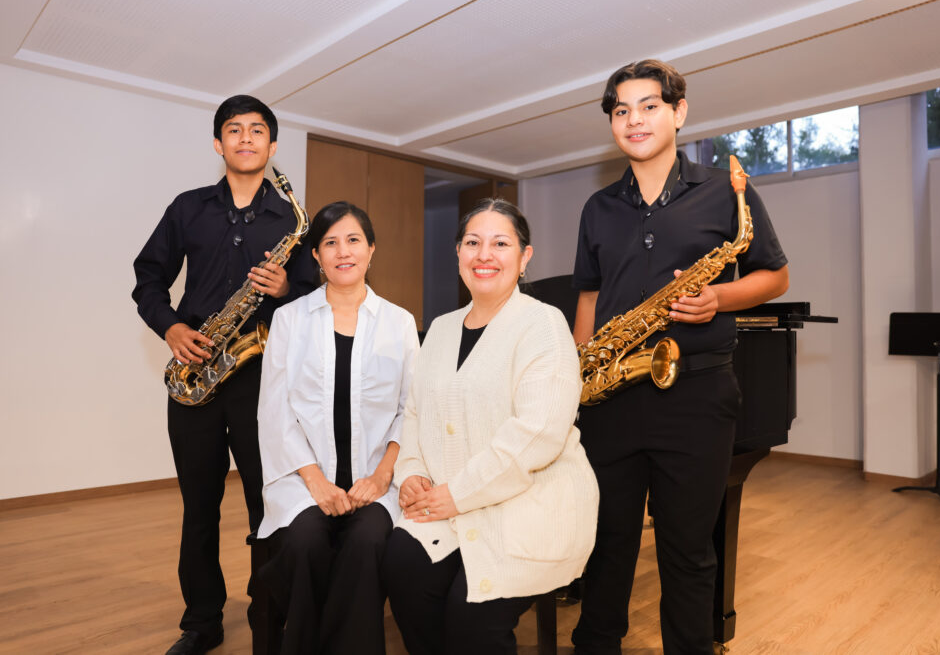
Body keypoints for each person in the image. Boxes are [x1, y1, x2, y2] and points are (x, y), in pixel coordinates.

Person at [570, 60, 790, 655]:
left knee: (689, 551)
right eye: (621, 110)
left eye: (649, 106)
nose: (634, 119)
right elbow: (588, 294)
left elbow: (775, 276)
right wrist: (580, 374)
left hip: (696, 397)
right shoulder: (597, 207)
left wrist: (719, 297)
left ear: (678, 112)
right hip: (611, 398)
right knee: (605, 545)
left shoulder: (726, 191)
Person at [132, 95, 316, 655]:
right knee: (199, 508)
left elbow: (316, 297)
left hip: (263, 379)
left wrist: (287, 288)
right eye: (234, 130)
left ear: (272, 146)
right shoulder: (188, 208)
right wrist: (171, 328)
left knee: (268, 505)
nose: (245, 138)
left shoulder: (291, 220)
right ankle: (202, 622)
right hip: (197, 372)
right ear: (218, 143)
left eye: (257, 130)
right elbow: (148, 277)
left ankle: (269, 616)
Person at [383, 199, 599, 655]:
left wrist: (457, 494)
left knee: (471, 617)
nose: (484, 255)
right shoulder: (440, 329)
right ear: (458, 252)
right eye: (472, 243)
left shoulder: (544, 324)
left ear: (524, 257)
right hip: (450, 501)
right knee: (402, 566)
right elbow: (416, 413)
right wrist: (412, 473)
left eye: (500, 244)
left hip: (529, 502)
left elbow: (538, 434)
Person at [249, 201, 419, 655]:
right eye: (330, 243)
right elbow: (275, 411)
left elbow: (412, 409)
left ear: (371, 250)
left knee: (367, 542)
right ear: (316, 257)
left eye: (353, 240)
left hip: (376, 480)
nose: (343, 251)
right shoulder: (289, 319)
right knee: (305, 542)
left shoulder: (399, 323)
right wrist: (316, 482)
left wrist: (382, 476)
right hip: (303, 479)